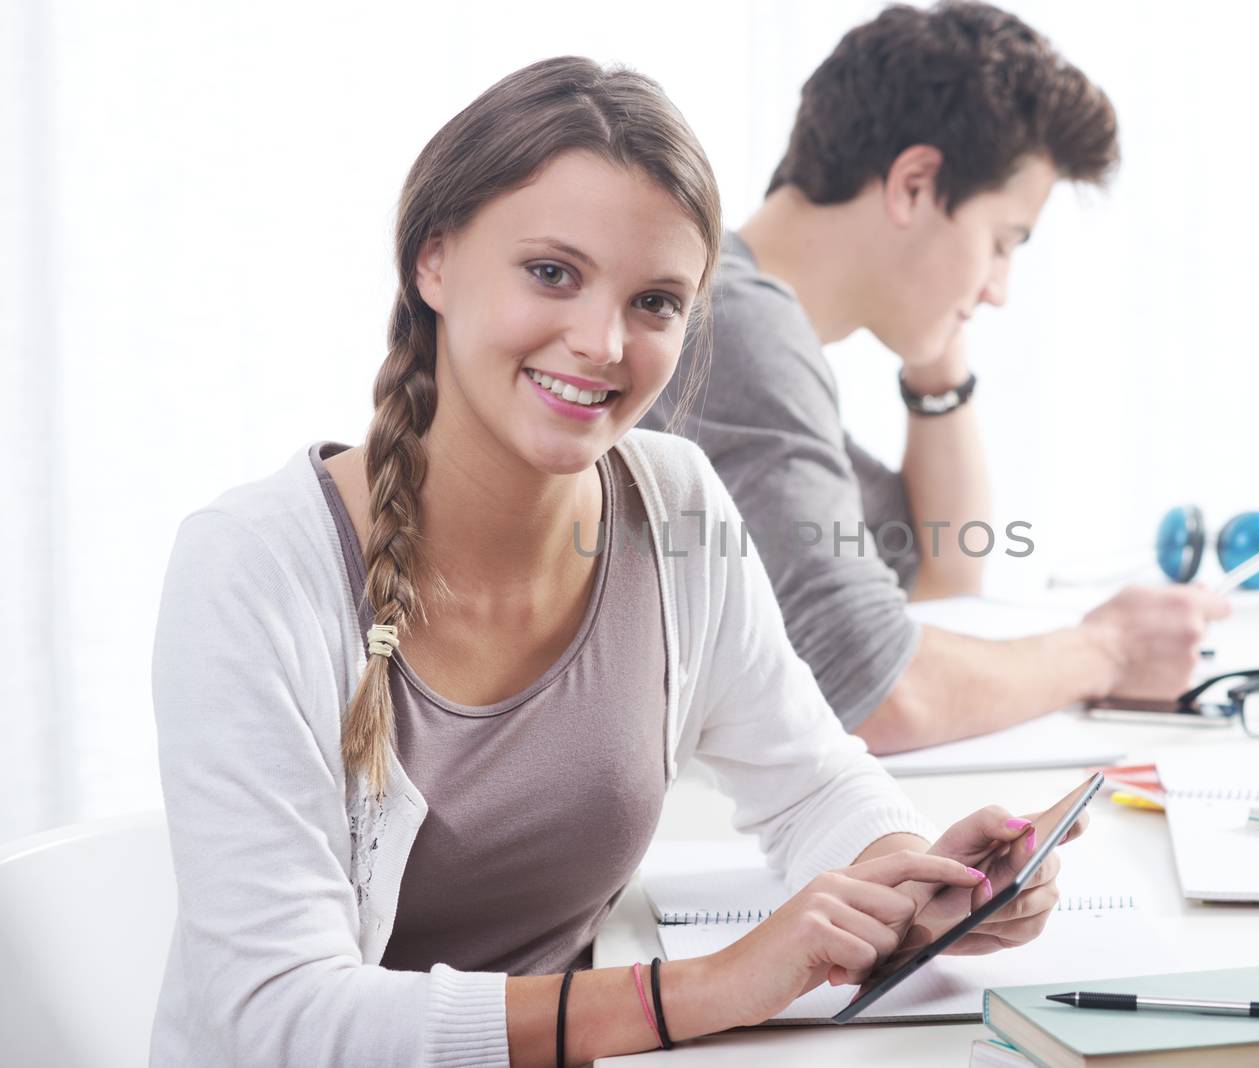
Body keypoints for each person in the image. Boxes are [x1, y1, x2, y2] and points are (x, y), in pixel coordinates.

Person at [150, 57, 1077, 1068]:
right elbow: (276, 1017)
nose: (601, 342)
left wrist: (905, 878)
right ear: (434, 262)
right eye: (551, 272)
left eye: (655, 302)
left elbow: (809, 780)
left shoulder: (671, 499)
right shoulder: (250, 570)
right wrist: (705, 990)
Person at [641, 1, 1230, 755]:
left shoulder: (746, 310)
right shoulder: (737, 329)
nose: (999, 289)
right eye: (1002, 242)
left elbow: (937, 568)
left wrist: (937, 359)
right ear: (914, 185)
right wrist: (1108, 650)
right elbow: (879, 692)